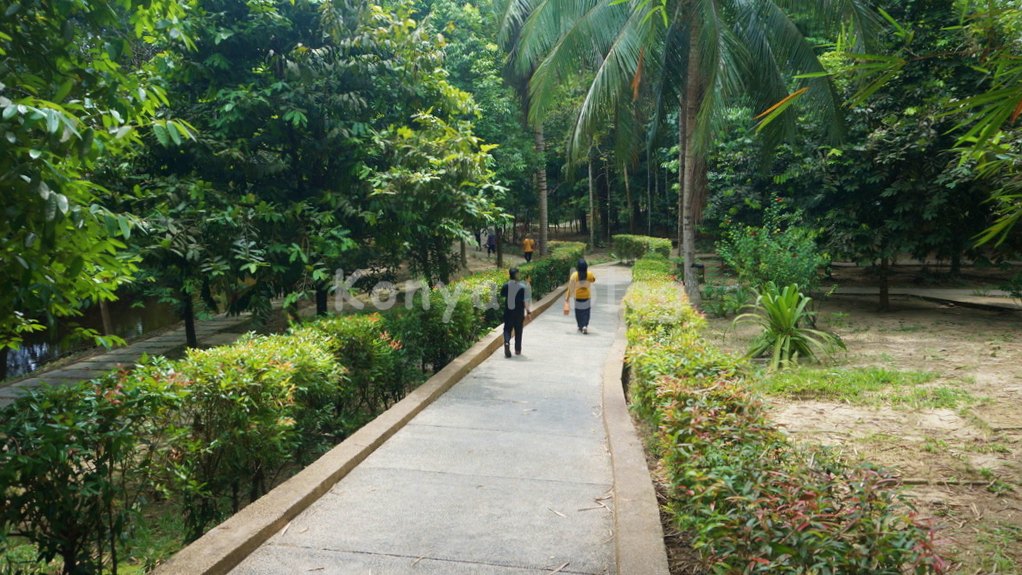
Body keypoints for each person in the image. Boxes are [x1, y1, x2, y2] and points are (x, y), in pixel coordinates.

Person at [499, 267, 531, 357]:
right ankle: (517, 350)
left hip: (508, 311)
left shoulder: (505, 286)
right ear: (516, 275)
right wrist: (528, 312)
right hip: (519, 312)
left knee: (507, 329)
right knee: (518, 330)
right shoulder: (522, 287)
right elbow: (525, 301)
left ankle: (506, 342)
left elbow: (502, 296)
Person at [564, 258, 596, 334]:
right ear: (586, 267)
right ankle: (585, 325)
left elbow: (570, 288)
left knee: (578, 312)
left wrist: (567, 298)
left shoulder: (574, 276)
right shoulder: (589, 274)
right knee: (586, 312)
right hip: (587, 297)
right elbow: (593, 280)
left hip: (577, 297)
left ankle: (580, 326)